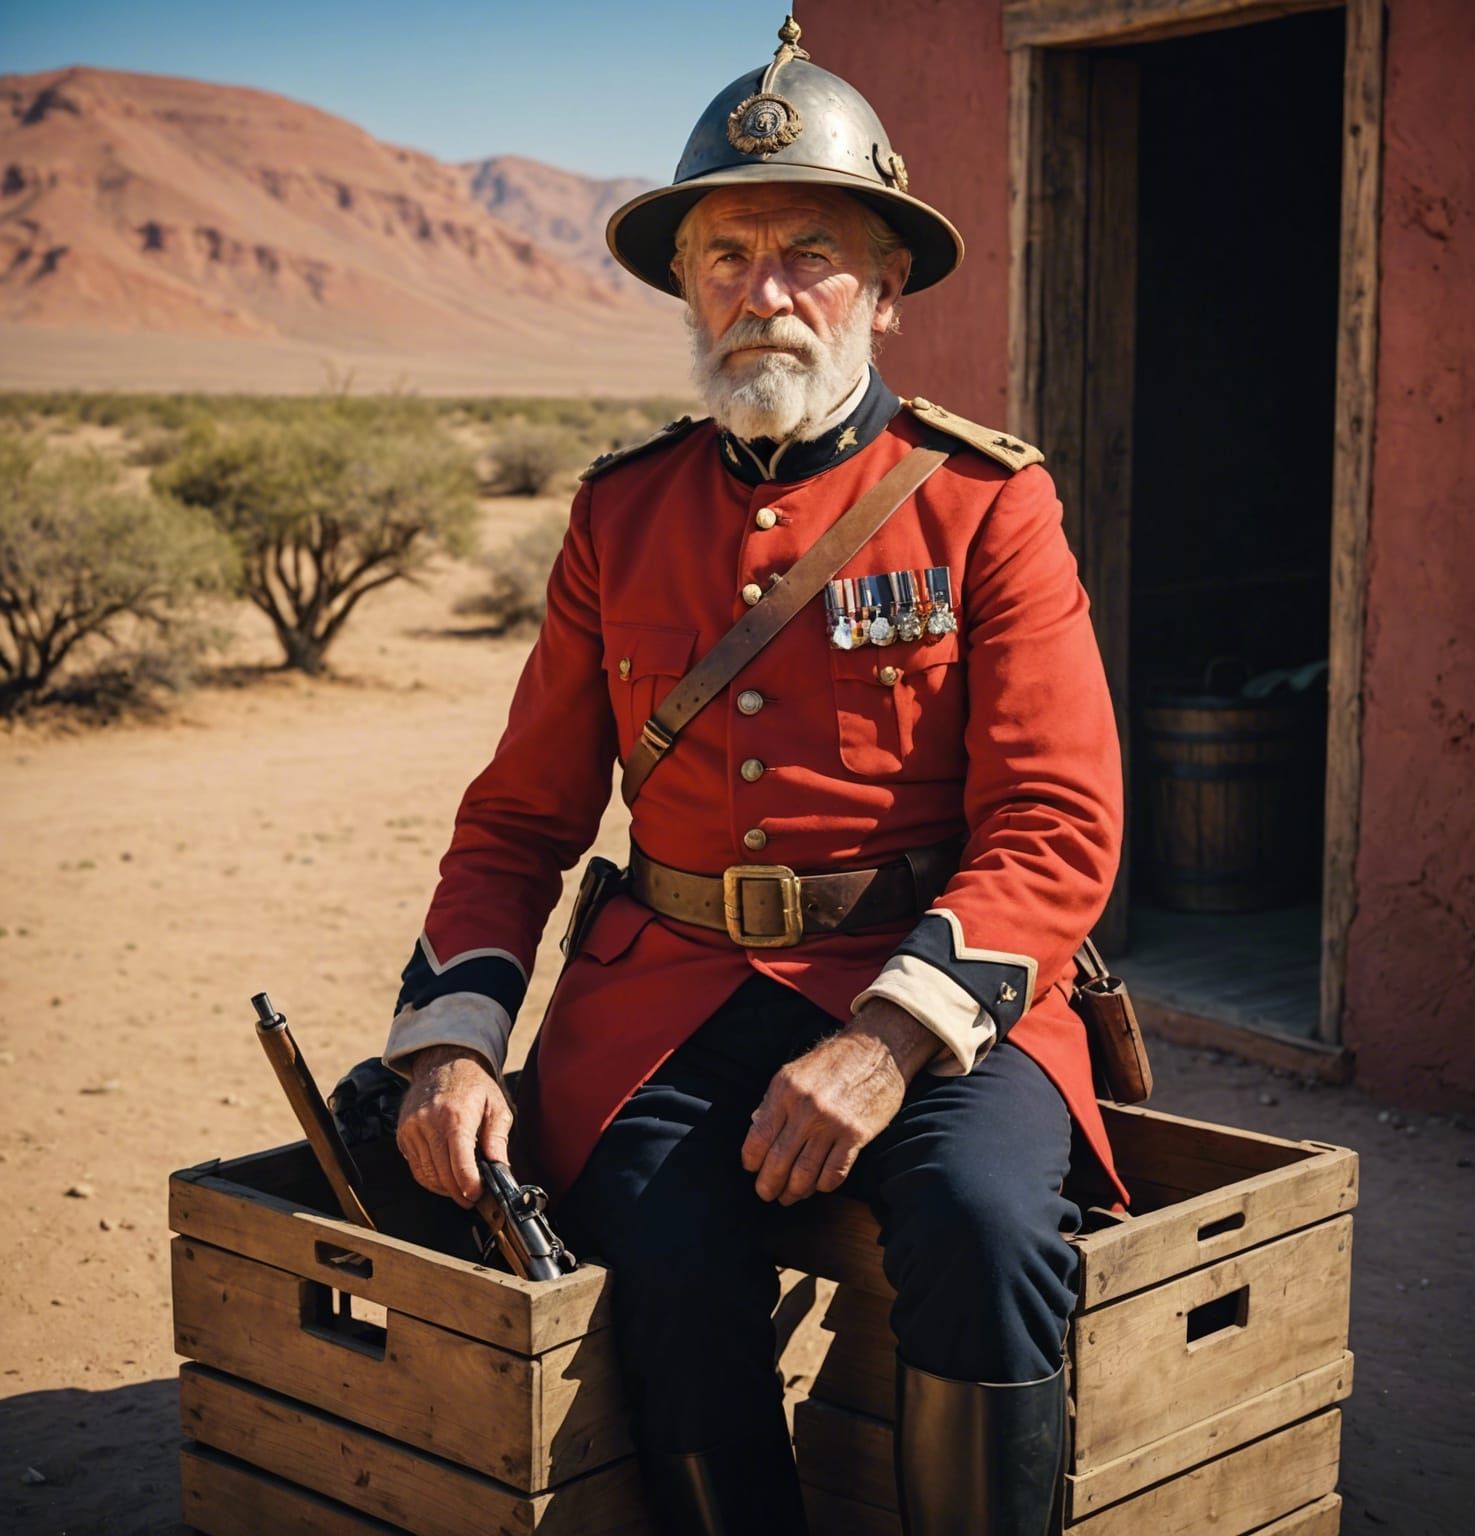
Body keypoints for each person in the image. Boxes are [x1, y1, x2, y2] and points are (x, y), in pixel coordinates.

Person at [383, 19, 1124, 1536]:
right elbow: (521, 819)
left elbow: (1057, 824)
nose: (763, 295)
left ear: (888, 286)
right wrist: (449, 1043)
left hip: (928, 989)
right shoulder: (621, 514)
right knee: (650, 1245)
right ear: (684, 284)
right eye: (726, 256)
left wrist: (885, 1045)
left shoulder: (989, 504)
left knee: (987, 1233)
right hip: (670, 987)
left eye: (809, 254)